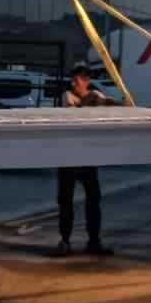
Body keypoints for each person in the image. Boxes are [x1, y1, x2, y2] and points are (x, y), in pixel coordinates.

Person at [51, 64, 117, 257]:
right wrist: (90, 102)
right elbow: (73, 114)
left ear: (86, 81)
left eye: (77, 80)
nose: (73, 83)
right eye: (72, 80)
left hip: (87, 155)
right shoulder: (67, 96)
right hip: (68, 156)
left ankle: (94, 241)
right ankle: (65, 241)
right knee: (65, 200)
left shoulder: (95, 95)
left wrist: (120, 103)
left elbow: (109, 105)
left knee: (94, 199)